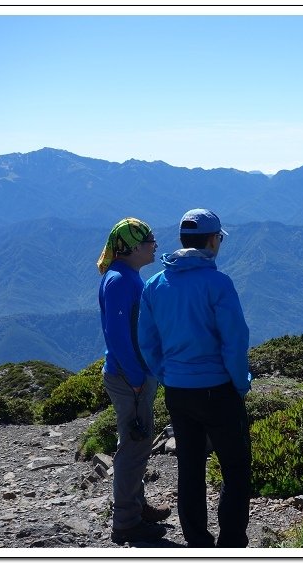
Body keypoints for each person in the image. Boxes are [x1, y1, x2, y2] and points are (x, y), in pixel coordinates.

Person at [138, 208, 252, 548]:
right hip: (218, 389)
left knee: (189, 467)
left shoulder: (155, 285)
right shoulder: (218, 283)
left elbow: (147, 341)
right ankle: (231, 543)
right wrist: (240, 382)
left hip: (177, 390)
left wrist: (167, 373)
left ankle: (198, 545)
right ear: (213, 240)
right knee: (235, 468)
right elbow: (234, 340)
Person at [97, 217, 171, 545]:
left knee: (136, 442)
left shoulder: (125, 276)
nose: (155, 244)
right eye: (149, 240)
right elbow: (117, 336)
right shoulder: (121, 281)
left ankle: (137, 507)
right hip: (131, 376)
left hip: (134, 374)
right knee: (133, 446)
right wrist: (137, 377)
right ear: (132, 247)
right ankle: (126, 521)